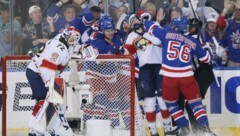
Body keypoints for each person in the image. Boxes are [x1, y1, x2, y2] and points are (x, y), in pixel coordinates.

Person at [146, 16, 217, 135]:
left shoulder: (165, 33)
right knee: (196, 104)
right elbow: (206, 59)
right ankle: (205, 130)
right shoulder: (193, 41)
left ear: (174, 26)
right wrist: (206, 47)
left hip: (169, 78)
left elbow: (149, 26)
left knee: (171, 104)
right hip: (187, 77)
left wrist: (148, 21)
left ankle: (184, 127)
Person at [124, 13, 178, 136]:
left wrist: (144, 33)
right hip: (145, 69)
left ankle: (167, 128)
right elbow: (127, 52)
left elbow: (160, 41)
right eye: (139, 19)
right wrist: (119, 49)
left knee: (163, 99)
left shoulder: (155, 27)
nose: (143, 20)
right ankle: (153, 131)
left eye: (145, 18)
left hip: (160, 66)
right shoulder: (132, 36)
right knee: (149, 101)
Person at [26, 26, 81, 136]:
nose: (73, 41)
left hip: (49, 74)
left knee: (55, 101)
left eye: (75, 39)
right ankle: (33, 128)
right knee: (43, 99)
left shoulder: (65, 41)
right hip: (37, 73)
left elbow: (72, 50)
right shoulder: (58, 47)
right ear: (66, 36)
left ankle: (52, 128)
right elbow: (47, 66)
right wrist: (49, 82)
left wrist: (81, 49)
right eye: (71, 39)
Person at [217, 1, 240, 67]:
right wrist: (225, 10)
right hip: (232, 61)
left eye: (239, 10)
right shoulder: (229, 23)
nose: (238, 11)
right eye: (236, 10)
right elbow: (219, 23)